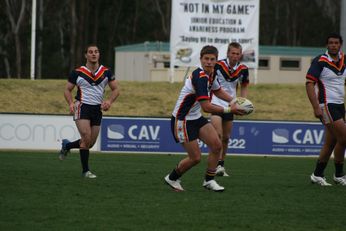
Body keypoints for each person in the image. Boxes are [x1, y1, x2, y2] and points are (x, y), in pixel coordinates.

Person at [164, 45, 244, 192]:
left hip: (195, 117)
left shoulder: (212, 74)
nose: (209, 62)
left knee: (217, 145)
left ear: (216, 61)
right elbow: (206, 107)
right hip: (182, 120)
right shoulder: (199, 77)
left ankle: (209, 180)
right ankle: (172, 178)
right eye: (206, 59)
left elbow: (218, 91)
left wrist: (234, 101)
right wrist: (229, 109)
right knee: (195, 158)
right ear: (200, 60)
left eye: (212, 59)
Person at [59, 44, 120, 178]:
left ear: (99, 55)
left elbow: (116, 89)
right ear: (86, 55)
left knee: (90, 143)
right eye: (90, 52)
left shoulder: (106, 72)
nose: (93, 54)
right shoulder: (77, 72)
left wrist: (109, 101)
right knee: (86, 138)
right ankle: (85, 171)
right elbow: (67, 90)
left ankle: (67, 145)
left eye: (96, 52)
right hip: (82, 106)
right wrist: (70, 104)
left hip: (97, 109)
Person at [306, 33, 346, 186]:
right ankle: (339, 174)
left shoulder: (344, 60)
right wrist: (316, 107)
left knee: (332, 142)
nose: (333, 45)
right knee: (344, 138)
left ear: (340, 44)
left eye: (336, 43)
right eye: (330, 43)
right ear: (326, 45)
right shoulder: (320, 61)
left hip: (340, 105)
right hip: (326, 106)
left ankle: (317, 174)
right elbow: (309, 84)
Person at [210, 42, 249, 177]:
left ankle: (221, 165)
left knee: (226, 138)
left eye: (237, 54)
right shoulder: (218, 65)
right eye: (232, 53)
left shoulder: (243, 69)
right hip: (215, 102)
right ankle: (213, 166)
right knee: (218, 135)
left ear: (240, 55)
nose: (235, 56)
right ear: (227, 53)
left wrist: (242, 103)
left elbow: (244, 86)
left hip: (230, 105)